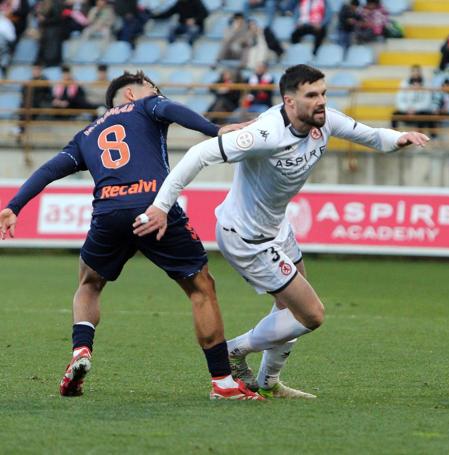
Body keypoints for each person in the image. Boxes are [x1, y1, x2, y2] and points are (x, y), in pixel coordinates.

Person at [133, 64, 429, 399]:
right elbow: (198, 154)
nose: (321, 102)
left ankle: (269, 382)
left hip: (276, 228)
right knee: (311, 314)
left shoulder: (325, 121)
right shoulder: (265, 133)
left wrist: (399, 138)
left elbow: (371, 135)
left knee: (290, 306)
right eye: (312, 95)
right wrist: (160, 206)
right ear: (289, 101)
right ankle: (233, 351)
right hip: (246, 237)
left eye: (323, 93)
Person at [0, 71, 261, 401]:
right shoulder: (145, 106)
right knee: (200, 287)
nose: (157, 93)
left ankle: (82, 349)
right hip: (154, 208)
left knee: (89, 283)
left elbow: (50, 169)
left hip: (108, 213)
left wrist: (14, 206)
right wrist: (216, 130)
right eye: (152, 89)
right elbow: (173, 111)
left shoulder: (86, 134)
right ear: (129, 94)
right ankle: (223, 383)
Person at [390, 64, 432, 130]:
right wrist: (407, 108)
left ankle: (425, 137)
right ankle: (394, 136)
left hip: (419, 110)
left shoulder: (426, 83)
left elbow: (427, 101)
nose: (416, 74)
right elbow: (399, 99)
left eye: (417, 71)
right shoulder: (404, 83)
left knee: (424, 115)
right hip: (406, 109)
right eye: (414, 71)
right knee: (394, 115)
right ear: (411, 73)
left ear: (420, 73)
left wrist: (415, 108)